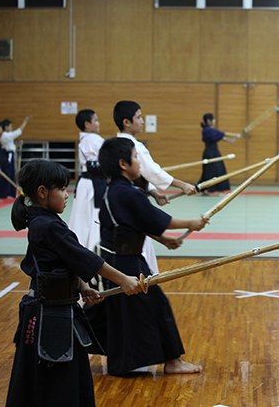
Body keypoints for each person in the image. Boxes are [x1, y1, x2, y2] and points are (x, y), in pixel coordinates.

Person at [5, 159, 142, 407]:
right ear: (43, 192)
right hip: (49, 316)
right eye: (61, 189)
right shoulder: (46, 225)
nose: (67, 195)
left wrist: (80, 287)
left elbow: (56, 263)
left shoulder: (44, 221)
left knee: (63, 379)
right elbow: (84, 257)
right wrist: (123, 280)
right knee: (55, 384)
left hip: (56, 309)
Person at [96, 137, 206, 376]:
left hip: (116, 261)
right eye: (136, 158)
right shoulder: (129, 194)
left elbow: (132, 224)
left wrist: (162, 239)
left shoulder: (112, 191)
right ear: (123, 164)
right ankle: (172, 361)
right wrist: (191, 223)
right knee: (156, 306)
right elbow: (157, 218)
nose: (139, 162)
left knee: (127, 312)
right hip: (127, 263)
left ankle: (124, 362)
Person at [114, 100, 198, 274]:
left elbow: (142, 174)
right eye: (139, 117)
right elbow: (152, 172)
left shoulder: (116, 143)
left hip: (123, 217)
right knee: (139, 270)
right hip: (130, 231)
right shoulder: (133, 146)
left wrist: (153, 192)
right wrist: (182, 185)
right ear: (127, 122)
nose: (142, 120)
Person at [68, 109, 106, 252]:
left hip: (85, 183)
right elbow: (108, 159)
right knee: (95, 218)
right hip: (94, 184)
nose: (98, 123)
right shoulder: (93, 139)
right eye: (95, 120)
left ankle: (78, 250)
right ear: (87, 124)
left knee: (81, 220)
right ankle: (94, 250)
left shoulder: (84, 139)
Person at [198, 113, 241, 195]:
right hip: (210, 153)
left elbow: (220, 136)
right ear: (208, 120)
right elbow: (222, 134)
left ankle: (207, 189)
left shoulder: (209, 130)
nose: (214, 120)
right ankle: (209, 189)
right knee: (212, 170)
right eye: (213, 119)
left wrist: (229, 140)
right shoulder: (208, 130)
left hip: (213, 152)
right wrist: (235, 135)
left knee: (218, 168)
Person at [0, 116, 32, 199]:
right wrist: (25, 121)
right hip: (7, 156)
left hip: (10, 154)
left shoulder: (7, 136)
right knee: (8, 173)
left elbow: (11, 147)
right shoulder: (5, 135)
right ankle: (5, 193)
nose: (11, 128)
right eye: (10, 126)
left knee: (12, 173)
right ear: (6, 127)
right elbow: (18, 132)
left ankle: (11, 193)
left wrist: (17, 145)